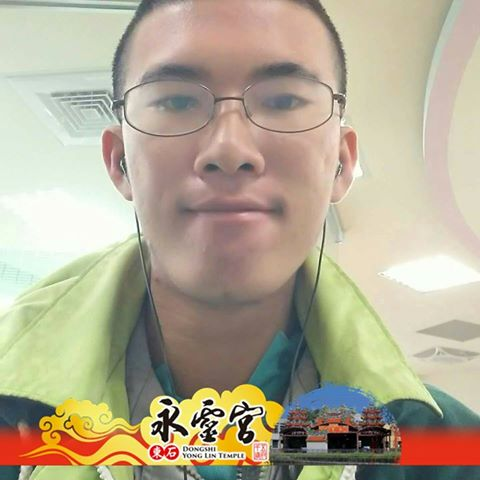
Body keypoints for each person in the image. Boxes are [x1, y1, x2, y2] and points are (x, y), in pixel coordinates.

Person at [0, 1, 479, 479]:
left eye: (284, 100)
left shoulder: (448, 453)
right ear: (118, 161)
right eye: (177, 101)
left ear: (342, 163)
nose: (229, 149)